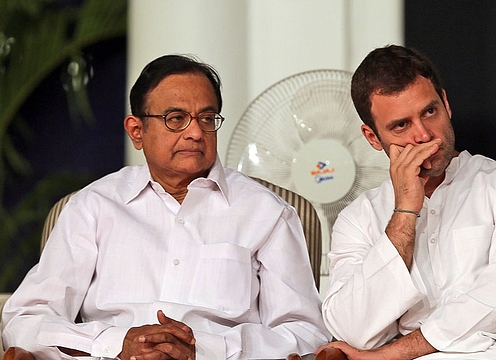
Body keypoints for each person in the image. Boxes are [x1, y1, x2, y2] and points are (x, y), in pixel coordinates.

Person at [2, 54, 331, 360]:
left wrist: (201, 349)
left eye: (206, 118)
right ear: (136, 131)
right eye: (176, 118)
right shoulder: (94, 207)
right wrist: (119, 343)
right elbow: (25, 321)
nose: (195, 133)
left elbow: (306, 334)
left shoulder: (267, 213)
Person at [315, 45, 496, 359]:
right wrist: (405, 211)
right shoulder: (358, 217)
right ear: (372, 137)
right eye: (401, 125)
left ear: (446, 103)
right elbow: (351, 329)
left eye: (429, 112)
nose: (423, 135)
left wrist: (393, 353)